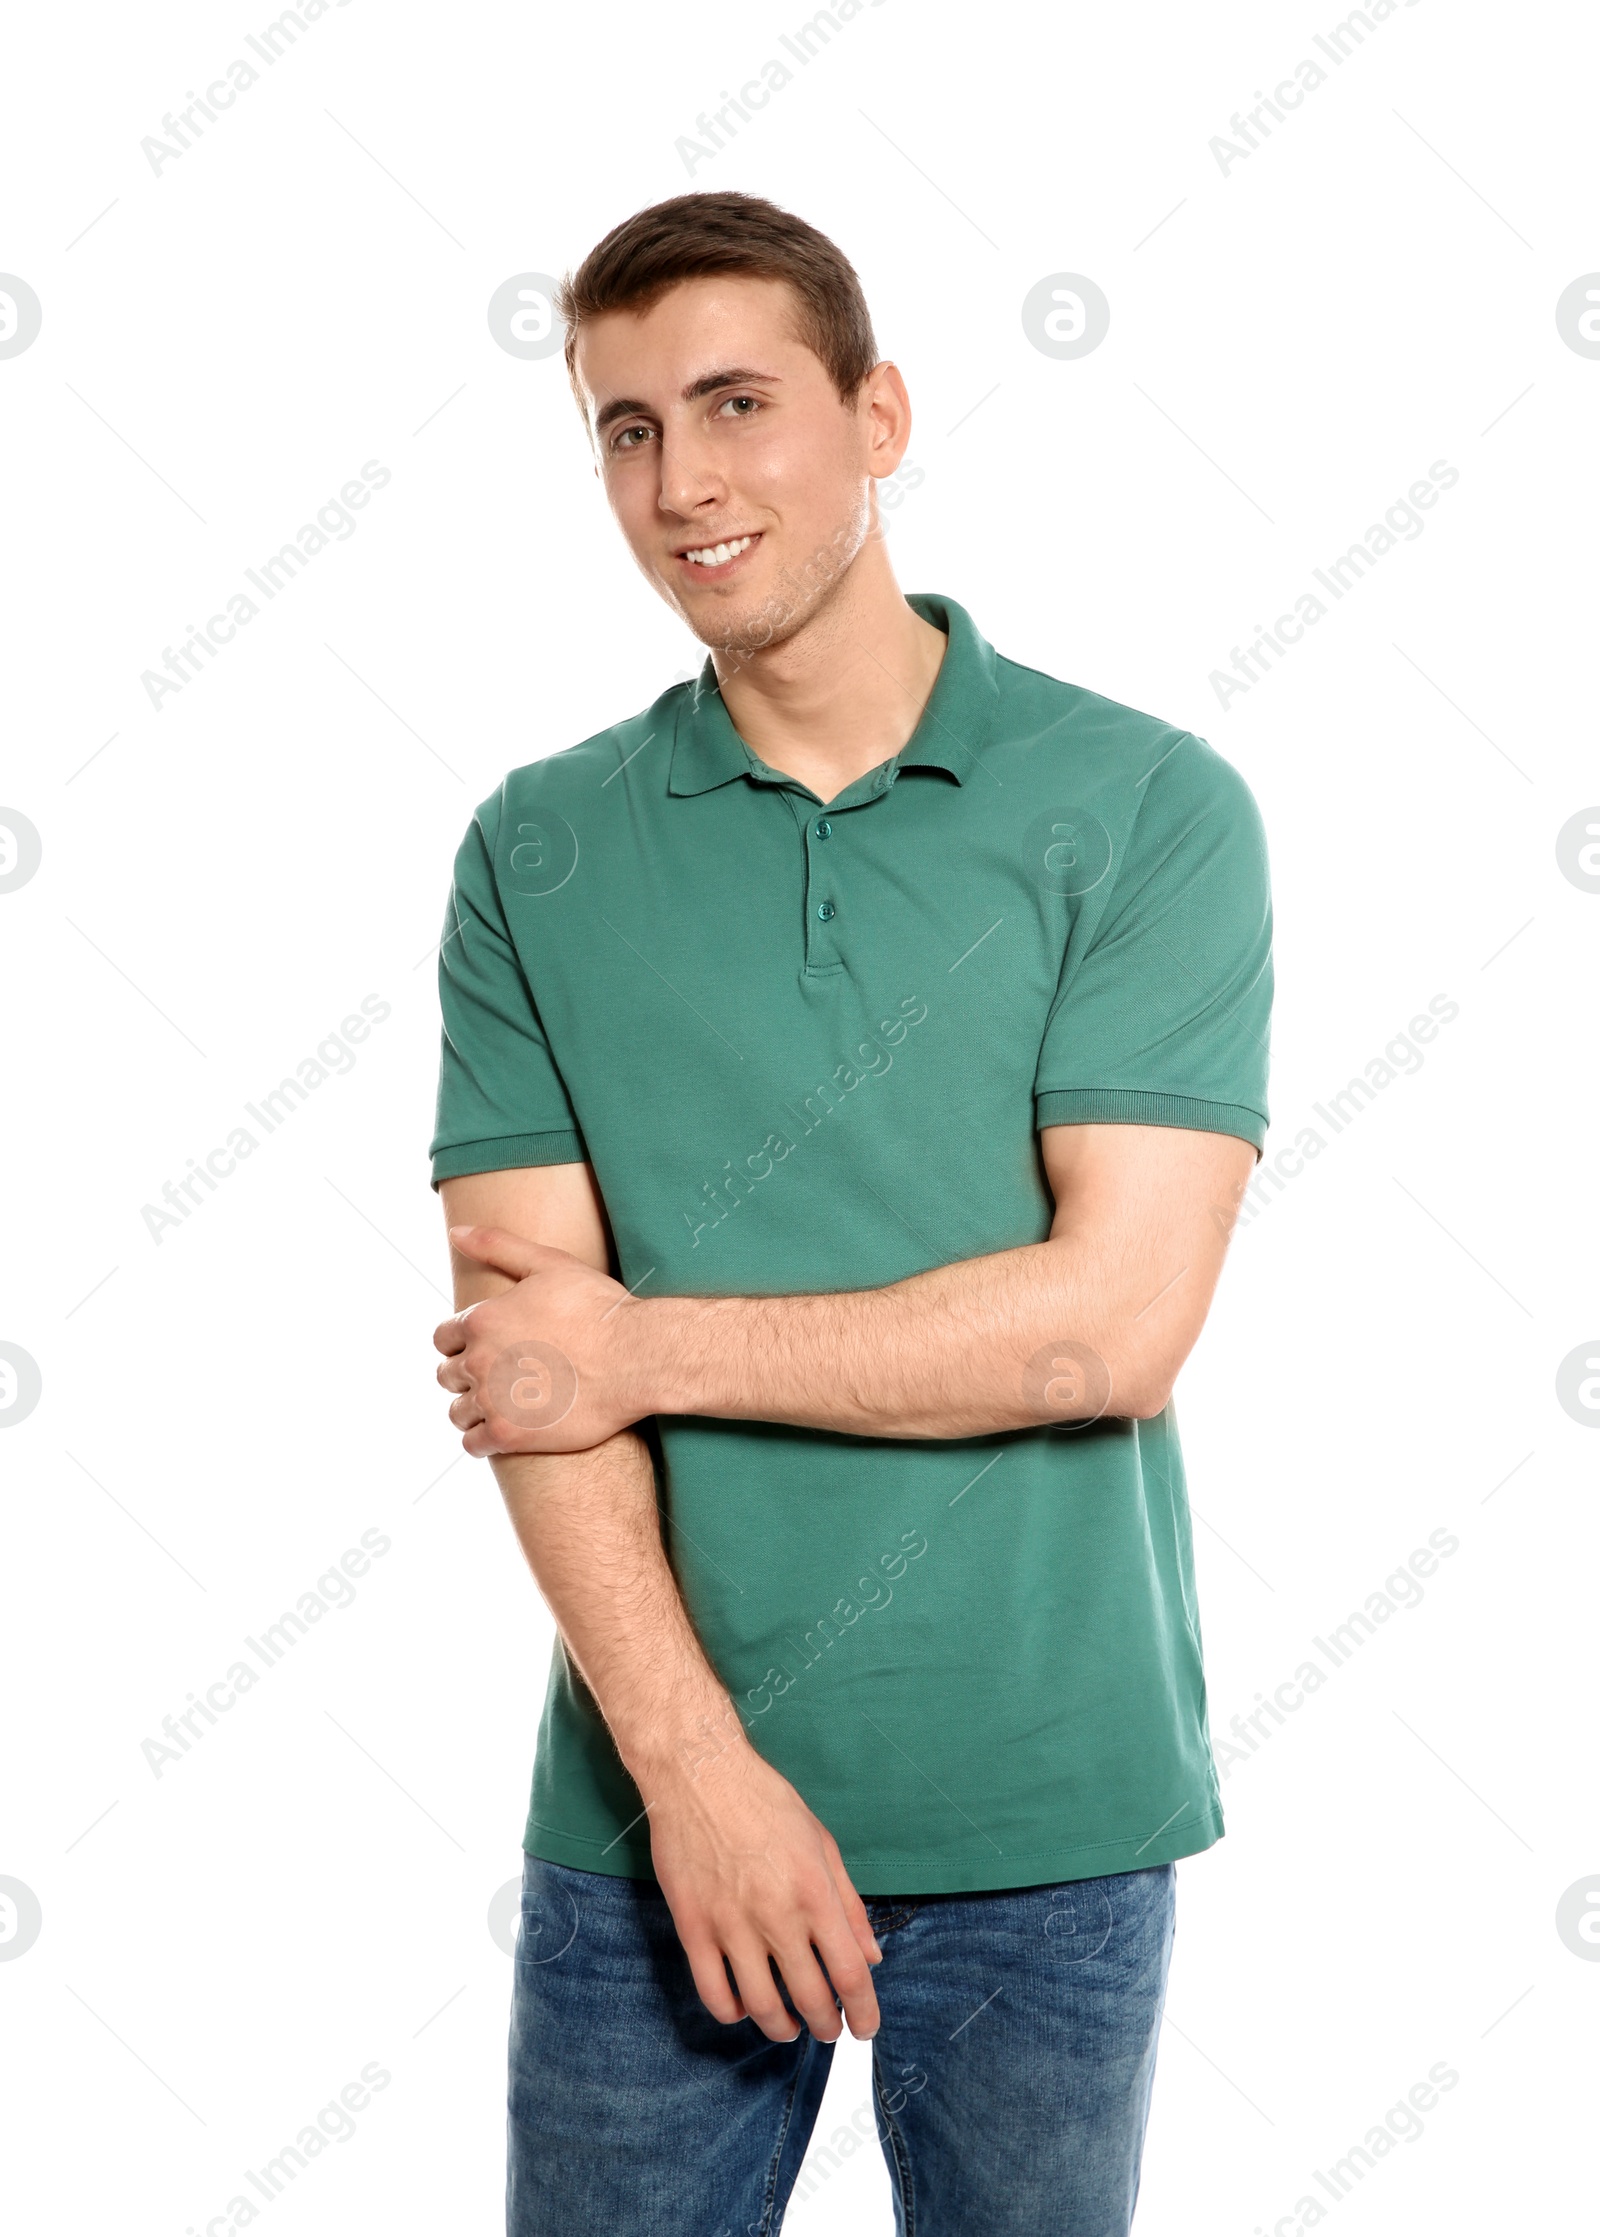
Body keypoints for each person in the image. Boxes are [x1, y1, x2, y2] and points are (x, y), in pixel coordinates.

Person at [429, 189, 1272, 2237]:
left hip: (1047, 1813)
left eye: (734, 405)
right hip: (650, 1829)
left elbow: (1108, 1327)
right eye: (624, 427)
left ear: (876, 414)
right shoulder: (540, 848)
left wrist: (645, 1338)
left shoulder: (1142, 809)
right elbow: (532, 1372)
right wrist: (696, 1779)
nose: (680, 481)